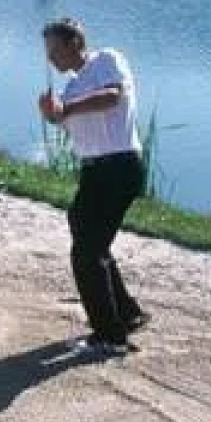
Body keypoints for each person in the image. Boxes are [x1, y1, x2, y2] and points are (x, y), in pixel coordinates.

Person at [39, 18, 150, 354]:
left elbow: (111, 98)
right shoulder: (70, 88)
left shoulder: (107, 61)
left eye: (55, 50)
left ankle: (110, 336)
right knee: (84, 233)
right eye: (48, 52)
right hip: (95, 173)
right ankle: (127, 313)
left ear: (75, 43)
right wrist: (52, 114)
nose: (51, 59)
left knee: (86, 253)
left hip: (119, 167)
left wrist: (66, 108)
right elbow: (67, 120)